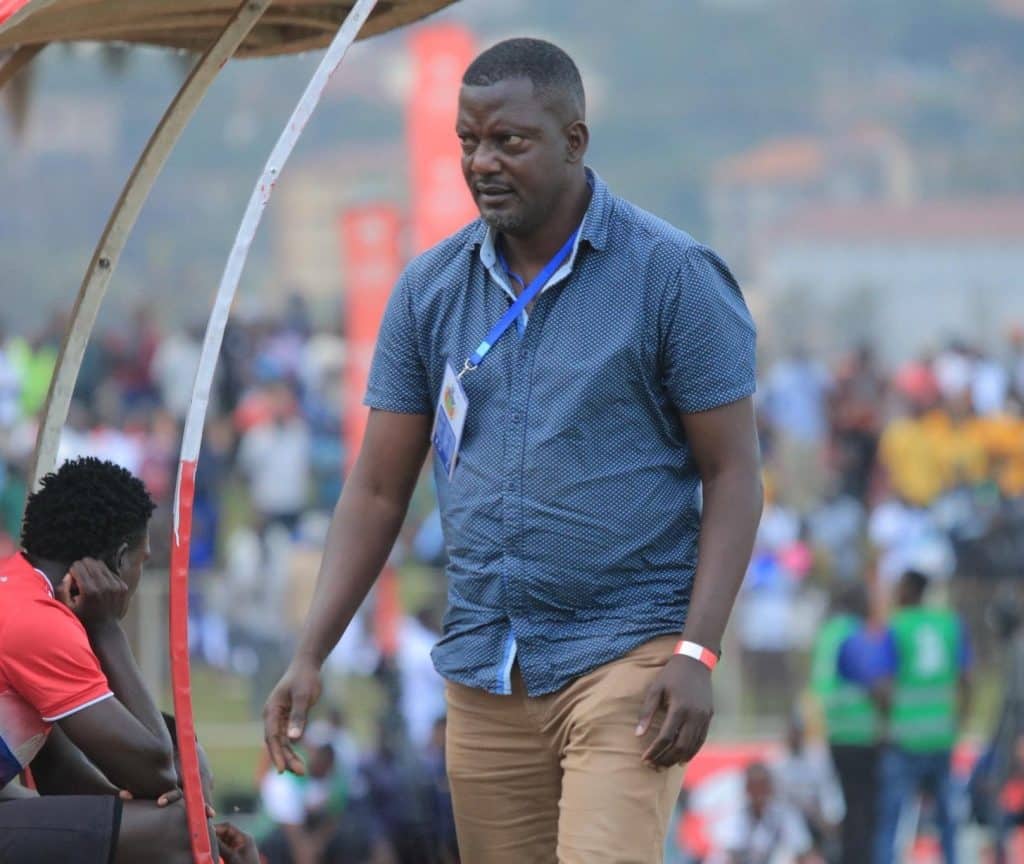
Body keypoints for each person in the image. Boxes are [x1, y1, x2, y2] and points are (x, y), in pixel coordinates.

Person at [264, 37, 762, 864]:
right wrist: (311, 652)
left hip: (626, 655)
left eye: (510, 141)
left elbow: (734, 473)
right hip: (485, 671)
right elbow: (378, 490)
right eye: (469, 141)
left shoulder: (673, 277)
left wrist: (696, 650)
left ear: (574, 141)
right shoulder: (428, 291)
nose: (482, 162)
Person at [0, 456, 248, 863]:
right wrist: (107, 630)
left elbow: (60, 774)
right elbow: (155, 769)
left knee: (170, 829)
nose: (139, 574)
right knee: (178, 833)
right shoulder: (38, 622)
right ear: (117, 561)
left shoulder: (19, 590)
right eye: (142, 561)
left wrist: (146, 811)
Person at [873, 570, 973, 864]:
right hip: (941, 735)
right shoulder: (950, 624)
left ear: (909, 591)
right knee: (947, 819)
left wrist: (884, 723)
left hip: (905, 737)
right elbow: (966, 679)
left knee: (891, 819)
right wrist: (959, 721)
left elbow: (883, 683)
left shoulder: (897, 626)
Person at [810, 583, 881, 864]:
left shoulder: (829, 632)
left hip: (833, 728)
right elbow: (871, 678)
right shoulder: (856, 633)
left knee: (847, 803)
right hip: (861, 731)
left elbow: (821, 683)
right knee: (865, 806)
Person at [710, 762, 813, 864]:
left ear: (770, 788)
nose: (759, 792)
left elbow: (802, 848)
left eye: (762, 786)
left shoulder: (786, 815)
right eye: (754, 787)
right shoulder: (735, 816)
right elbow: (730, 851)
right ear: (747, 789)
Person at [773, 711, 844, 859]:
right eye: (791, 733)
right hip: (791, 814)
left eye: (797, 733)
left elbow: (828, 787)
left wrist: (831, 816)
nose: (794, 737)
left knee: (834, 841)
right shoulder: (777, 761)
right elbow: (778, 799)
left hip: (818, 814)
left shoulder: (817, 757)